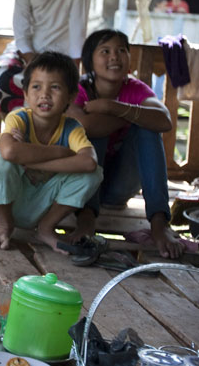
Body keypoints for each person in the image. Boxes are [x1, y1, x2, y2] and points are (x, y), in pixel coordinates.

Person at [67, 29, 186, 259]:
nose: (115, 56)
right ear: (90, 59)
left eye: (121, 50)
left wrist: (112, 107)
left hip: (118, 189)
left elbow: (164, 120)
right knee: (94, 132)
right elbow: (85, 124)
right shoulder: (78, 89)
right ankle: (86, 219)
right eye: (105, 51)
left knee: (148, 129)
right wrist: (131, 116)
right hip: (83, 188)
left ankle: (160, 224)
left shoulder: (135, 88)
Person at [0, 52, 102, 252]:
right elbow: (10, 151)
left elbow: (89, 162)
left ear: (71, 96)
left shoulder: (72, 128)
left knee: (94, 174)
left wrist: (29, 160)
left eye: (55, 87)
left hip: (41, 206)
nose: (44, 94)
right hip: (3, 203)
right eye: (36, 87)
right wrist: (59, 152)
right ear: (26, 94)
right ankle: (3, 226)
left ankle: (46, 228)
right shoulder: (18, 118)